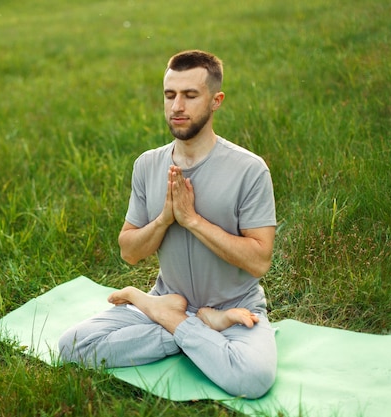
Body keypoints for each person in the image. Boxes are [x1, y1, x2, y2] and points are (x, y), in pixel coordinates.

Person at [58, 50, 277, 399]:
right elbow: (129, 252)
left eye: (190, 95)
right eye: (169, 95)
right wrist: (164, 219)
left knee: (253, 378)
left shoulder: (249, 170)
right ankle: (194, 326)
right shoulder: (147, 165)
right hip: (166, 299)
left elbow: (259, 260)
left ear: (216, 100)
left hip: (235, 310)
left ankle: (182, 322)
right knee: (72, 346)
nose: (177, 106)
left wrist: (191, 220)